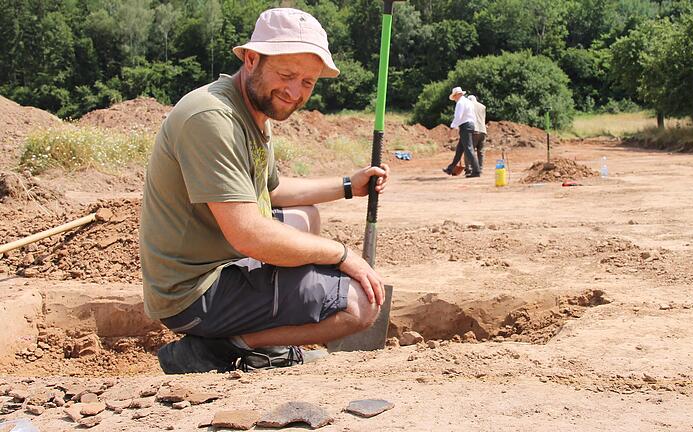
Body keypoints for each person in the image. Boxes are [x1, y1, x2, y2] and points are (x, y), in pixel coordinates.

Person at [139, 8, 390, 374]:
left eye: (308, 81)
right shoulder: (212, 118)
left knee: (307, 217)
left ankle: (261, 339)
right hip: (192, 293)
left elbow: (271, 190)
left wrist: (349, 186)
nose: (294, 91)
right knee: (358, 305)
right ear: (252, 59)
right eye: (287, 75)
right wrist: (341, 254)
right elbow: (249, 234)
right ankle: (225, 348)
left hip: (216, 260)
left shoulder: (253, 111)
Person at [442, 86, 480, 178]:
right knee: (459, 149)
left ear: (457, 95)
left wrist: (452, 127)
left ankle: (476, 171)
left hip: (465, 126)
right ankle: (450, 168)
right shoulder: (468, 102)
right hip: (470, 125)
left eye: (454, 96)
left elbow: (458, 116)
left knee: (469, 149)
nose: (454, 99)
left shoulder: (460, 103)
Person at [466, 95, 487, 174]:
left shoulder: (468, 106)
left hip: (473, 131)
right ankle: (480, 169)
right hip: (483, 130)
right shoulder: (483, 107)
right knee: (481, 151)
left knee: (469, 151)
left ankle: (469, 169)